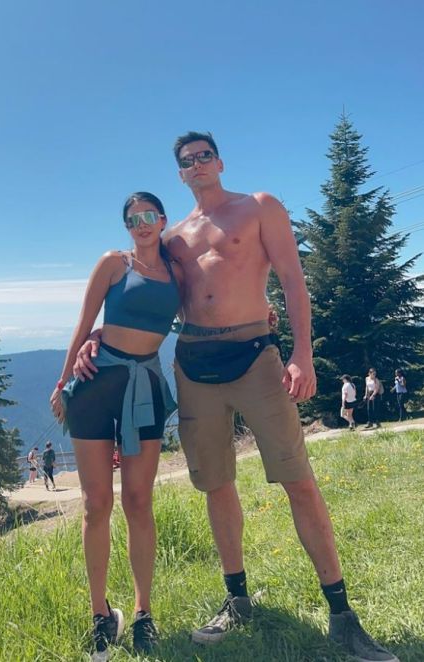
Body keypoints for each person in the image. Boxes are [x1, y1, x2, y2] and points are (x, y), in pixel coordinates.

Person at [74, 132, 398, 662]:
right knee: (216, 484)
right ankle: (237, 599)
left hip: (254, 354)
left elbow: (292, 280)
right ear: (180, 174)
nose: (197, 164)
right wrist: (97, 336)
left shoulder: (259, 207)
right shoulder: (174, 239)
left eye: (205, 156)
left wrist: (302, 353)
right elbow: (146, 295)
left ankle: (342, 616)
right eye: (187, 161)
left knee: (297, 478)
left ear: (220, 162)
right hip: (193, 362)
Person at [50, 192, 182, 660]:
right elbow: (84, 322)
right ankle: (100, 615)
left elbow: (205, 310)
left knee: (139, 501)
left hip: (145, 385)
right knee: (96, 504)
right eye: (132, 219)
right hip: (94, 384)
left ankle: (144, 613)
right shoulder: (113, 263)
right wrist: (63, 382)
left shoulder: (178, 272)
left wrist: (259, 315)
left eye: (148, 216)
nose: (140, 224)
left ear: (162, 220)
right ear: (126, 226)